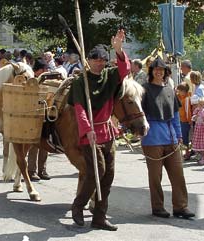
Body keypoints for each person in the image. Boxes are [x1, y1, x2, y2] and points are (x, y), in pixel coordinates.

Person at [68, 30, 130, 231]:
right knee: (98, 171)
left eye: (103, 60)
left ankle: (99, 218)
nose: (100, 63)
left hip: (107, 131)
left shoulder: (110, 76)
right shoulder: (80, 81)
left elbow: (125, 70)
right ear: (89, 60)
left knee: (108, 175)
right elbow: (79, 108)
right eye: (96, 60)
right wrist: (87, 130)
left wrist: (119, 51)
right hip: (91, 133)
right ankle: (78, 206)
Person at [141, 57, 195, 219]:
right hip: (152, 139)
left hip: (171, 139)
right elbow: (138, 114)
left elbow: (175, 117)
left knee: (178, 175)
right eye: (156, 69)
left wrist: (179, 135)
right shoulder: (143, 90)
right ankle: (158, 207)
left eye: (162, 70)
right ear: (151, 71)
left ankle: (181, 207)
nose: (159, 72)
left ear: (165, 72)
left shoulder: (170, 91)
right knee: (155, 177)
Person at [28, 58, 50, 181]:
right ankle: (31, 171)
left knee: (45, 144)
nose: (47, 71)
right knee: (34, 145)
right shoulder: (31, 82)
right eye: (45, 69)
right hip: (34, 117)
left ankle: (42, 170)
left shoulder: (48, 81)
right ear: (39, 71)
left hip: (46, 117)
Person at [176, 82, 192, 160]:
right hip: (178, 119)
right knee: (179, 136)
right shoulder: (178, 97)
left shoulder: (187, 98)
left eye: (180, 91)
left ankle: (187, 152)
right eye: (178, 90)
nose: (179, 92)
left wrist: (189, 120)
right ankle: (180, 152)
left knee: (185, 137)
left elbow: (188, 110)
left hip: (185, 120)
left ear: (185, 91)